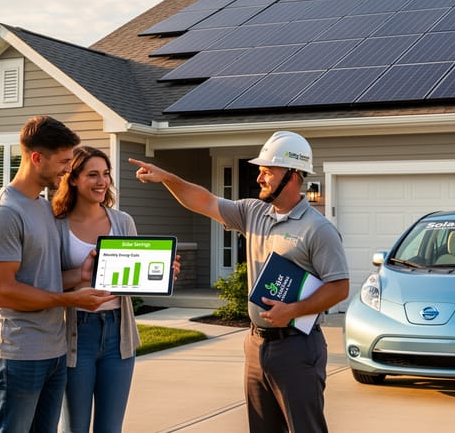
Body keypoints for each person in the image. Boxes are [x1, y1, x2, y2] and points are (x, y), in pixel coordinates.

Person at [130, 130, 349, 433]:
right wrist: (167, 177)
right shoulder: (252, 212)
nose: (259, 178)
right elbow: (203, 201)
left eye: (268, 171)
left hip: (297, 347)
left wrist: (292, 310)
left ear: (294, 174)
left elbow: (339, 287)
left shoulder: (318, 229)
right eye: (260, 171)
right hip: (257, 344)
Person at [0, 116, 116, 433]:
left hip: (55, 351)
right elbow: (5, 292)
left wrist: (79, 275)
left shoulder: (41, 207)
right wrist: (68, 298)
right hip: (19, 353)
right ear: (37, 158)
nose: (69, 169)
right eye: (64, 161)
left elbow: (43, 279)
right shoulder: (4, 213)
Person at [50, 146, 140, 433]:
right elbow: (45, 281)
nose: (102, 181)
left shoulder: (122, 222)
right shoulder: (57, 225)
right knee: (74, 427)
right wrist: (79, 275)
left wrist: (162, 273)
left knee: (110, 429)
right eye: (92, 174)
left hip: (118, 334)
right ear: (73, 179)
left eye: (106, 174)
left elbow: (134, 279)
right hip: (76, 335)